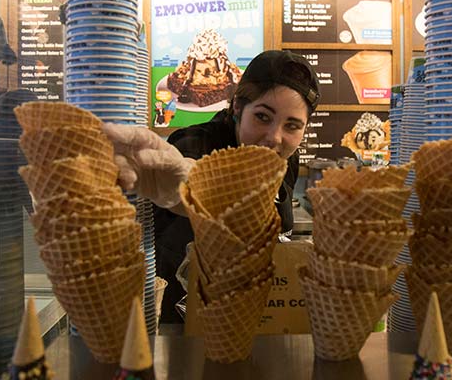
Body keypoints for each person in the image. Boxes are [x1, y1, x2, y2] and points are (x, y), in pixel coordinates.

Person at [104, 50, 321, 323]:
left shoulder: (286, 162)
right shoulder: (196, 144)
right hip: (180, 327)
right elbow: (183, 185)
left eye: (292, 125)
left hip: (252, 317)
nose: (274, 138)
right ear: (239, 107)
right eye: (263, 117)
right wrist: (187, 187)